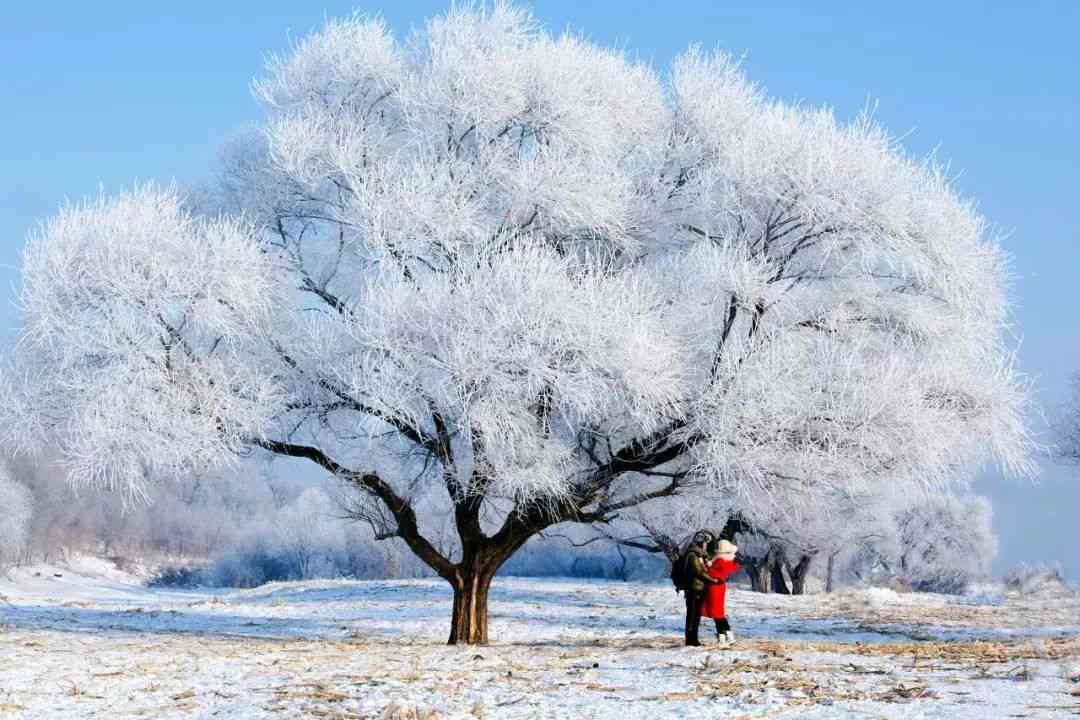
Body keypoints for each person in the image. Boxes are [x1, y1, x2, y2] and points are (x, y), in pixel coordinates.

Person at [701, 538, 741, 645]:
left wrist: (704, 565)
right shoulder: (728, 561)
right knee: (719, 613)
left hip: (714, 587)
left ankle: (723, 637)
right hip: (720, 587)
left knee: (717, 613)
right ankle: (727, 635)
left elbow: (710, 572)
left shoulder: (720, 561)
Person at [682, 531, 718, 646]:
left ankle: (693, 639)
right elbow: (699, 572)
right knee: (692, 615)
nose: (705, 545)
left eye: (706, 543)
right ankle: (691, 640)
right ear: (699, 543)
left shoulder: (699, 555)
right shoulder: (692, 555)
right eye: (704, 543)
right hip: (693, 589)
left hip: (698, 589)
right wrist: (713, 581)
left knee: (695, 615)